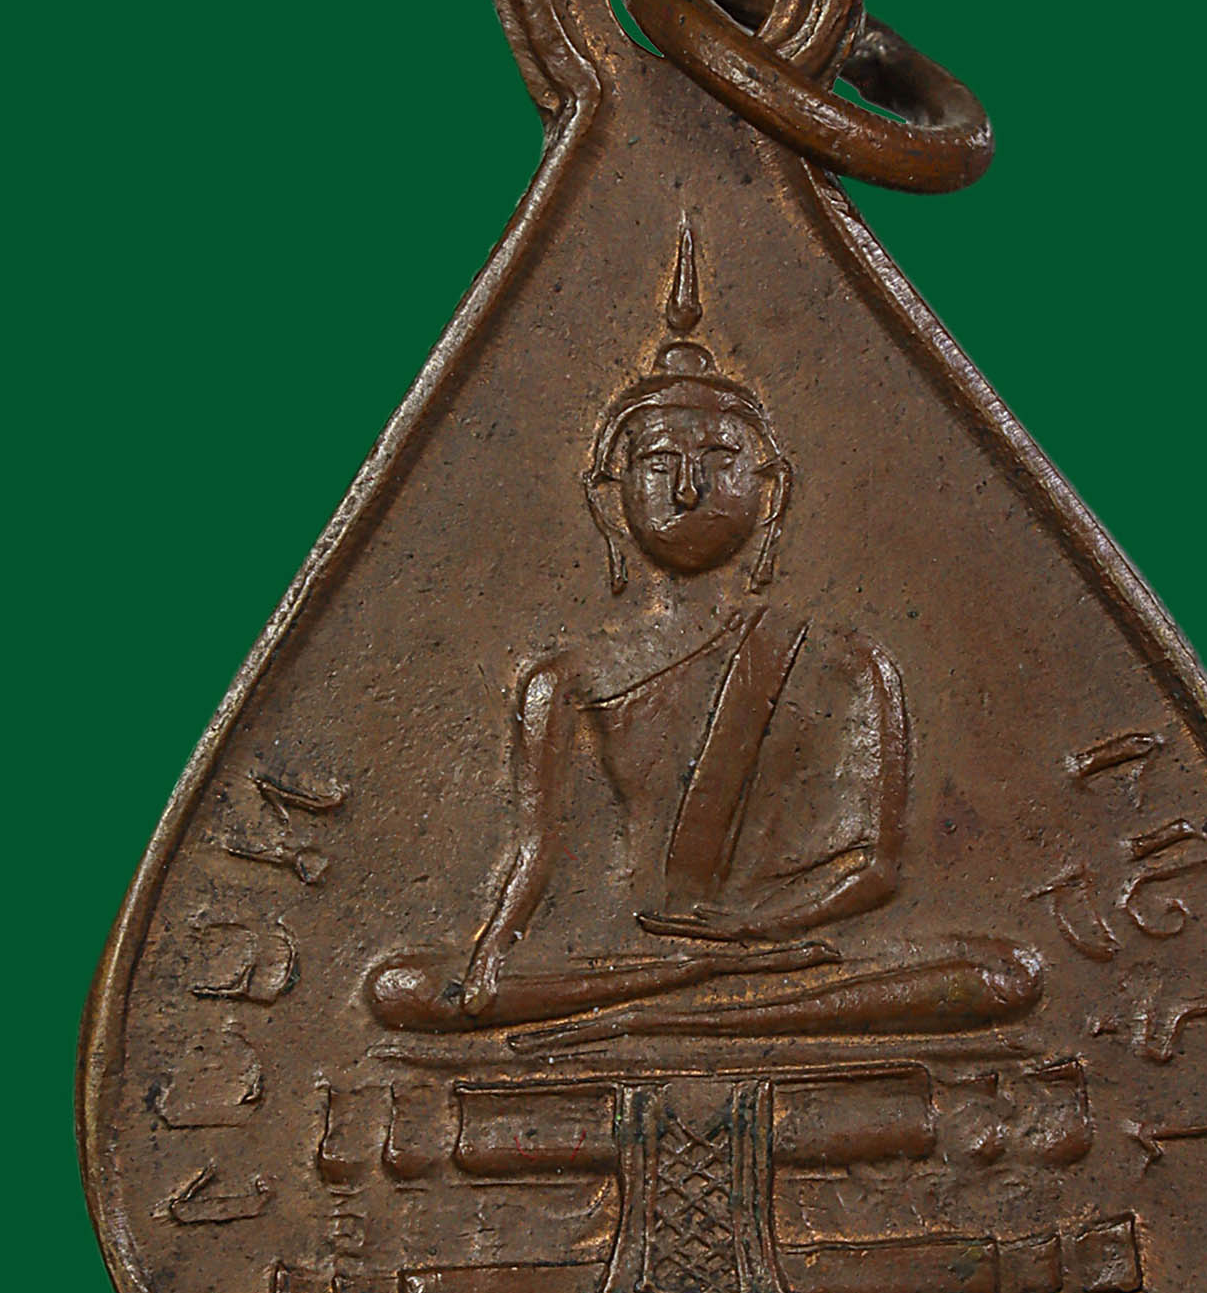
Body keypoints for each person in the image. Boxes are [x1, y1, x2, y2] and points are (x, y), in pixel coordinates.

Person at [368, 337, 1040, 1042]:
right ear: (611, 498)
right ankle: (694, 991)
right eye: (660, 464)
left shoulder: (846, 662)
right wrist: (492, 952)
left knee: (1002, 975)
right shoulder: (562, 681)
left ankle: (685, 997)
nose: (688, 491)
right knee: (404, 988)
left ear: (770, 490)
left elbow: (877, 872)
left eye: (719, 460)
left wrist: (757, 928)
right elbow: (537, 854)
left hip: (791, 946)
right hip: (639, 952)